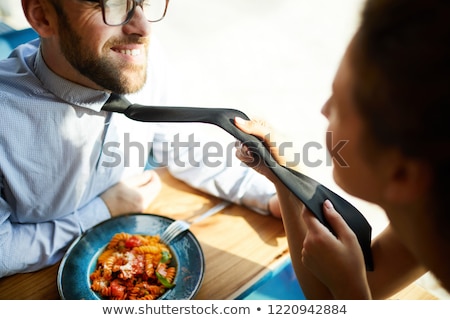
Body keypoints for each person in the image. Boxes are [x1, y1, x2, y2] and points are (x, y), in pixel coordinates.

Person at [0, 0, 281, 278]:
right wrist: (104, 210)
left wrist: (270, 197)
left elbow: (180, 146)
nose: (144, 28)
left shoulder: (136, 57)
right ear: (42, 16)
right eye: (112, 6)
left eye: (144, 2)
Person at [235, 0, 450, 299]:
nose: (323, 110)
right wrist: (284, 174)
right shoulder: (425, 213)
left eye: (338, 103)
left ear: (401, 173)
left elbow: (348, 292)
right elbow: (324, 293)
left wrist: (351, 291)